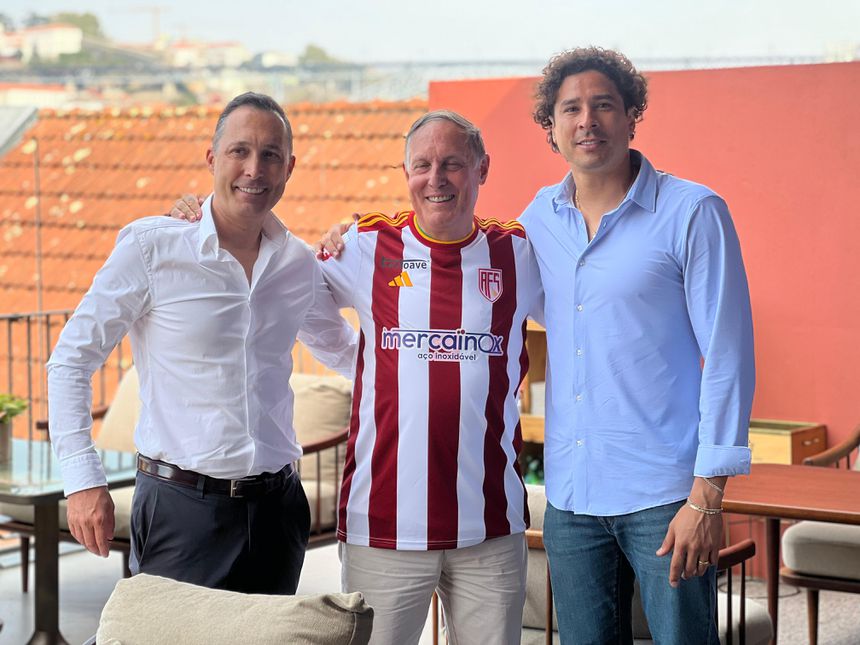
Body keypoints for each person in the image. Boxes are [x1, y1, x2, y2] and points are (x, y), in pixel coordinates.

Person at [171, 110, 544, 645]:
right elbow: (284, 281)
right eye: (422, 165)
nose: (436, 178)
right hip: (383, 525)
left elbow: (588, 313)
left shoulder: (519, 253)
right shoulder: (366, 245)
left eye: (453, 164)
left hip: (490, 525)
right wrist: (197, 221)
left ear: (482, 168)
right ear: (406, 172)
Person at [47, 92, 357, 594]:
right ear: (212, 158)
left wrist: (364, 246)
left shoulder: (299, 264)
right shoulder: (153, 248)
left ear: (289, 168)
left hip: (278, 512)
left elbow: (346, 352)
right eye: (240, 151)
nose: (254, 169)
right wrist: (83, 479)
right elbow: (70, 361)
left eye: (270, 155)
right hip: (180, 511)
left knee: (268, 634)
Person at [520, 47, 755, 643]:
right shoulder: (538, 219)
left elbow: (728, 355)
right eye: (570, 109)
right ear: (551, 128)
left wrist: (707, 497)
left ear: (631, 116)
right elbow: (469, 271)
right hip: (572, 499)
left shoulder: (692, 211)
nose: (587, 121)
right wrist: (363, 239)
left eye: (603, 105)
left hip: (667, 496)